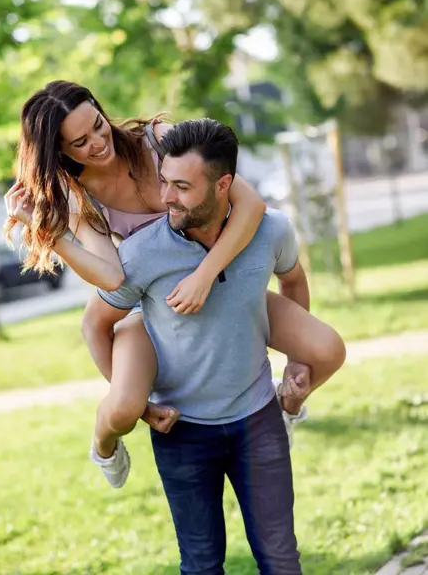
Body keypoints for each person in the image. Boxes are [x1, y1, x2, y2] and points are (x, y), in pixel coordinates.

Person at [4, 81, 345, 449]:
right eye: (80, 142)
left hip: (218, 280)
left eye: (98, 125)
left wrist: (205, 274)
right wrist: (52, 237)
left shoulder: (156, 140)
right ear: (58, 150)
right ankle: (103, 445)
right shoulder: (78, 195)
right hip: (154, 303)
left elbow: (251, 205)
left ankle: (285, 410)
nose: (98, 142)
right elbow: (112, 276)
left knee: (326, 352)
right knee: (125, 407)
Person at [83, 118, 306, 575]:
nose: (165, 198)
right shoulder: (142, 254)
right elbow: (96, 324)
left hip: (258, 420)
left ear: (224, 185)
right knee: (202, 565)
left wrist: (295, 360)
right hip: (181, 432)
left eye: (182, 186)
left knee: (281, 560)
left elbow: (294, 278)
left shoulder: (270, 230)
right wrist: (141, 405)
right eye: (164, 181)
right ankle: (104, 445)